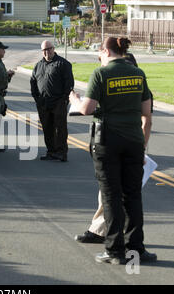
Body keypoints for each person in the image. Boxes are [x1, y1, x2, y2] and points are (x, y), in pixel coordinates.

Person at [69, 37, 156, 265]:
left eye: (99, 51)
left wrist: (75, 100)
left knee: (111, 197)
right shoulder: (138, 73)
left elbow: (87, 109)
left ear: (106, 51)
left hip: (108, 140)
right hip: (134, 141)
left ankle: (115, 251)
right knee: (133, 197)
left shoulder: (101, 74)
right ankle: (137, 248)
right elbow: (146, 112)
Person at [30, 40, 74, 162]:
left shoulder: (63, 64)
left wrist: (64, 99)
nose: (46, 52)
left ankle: (61, 152)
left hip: (58, 102)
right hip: (43, 103)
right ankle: (51, 151)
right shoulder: (38, 65)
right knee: (47, 128)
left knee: (60, 129)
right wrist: (37, 98)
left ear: (53, 48)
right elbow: (33, 81)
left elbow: (69, 83)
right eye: (44, 50)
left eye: (48, 49)